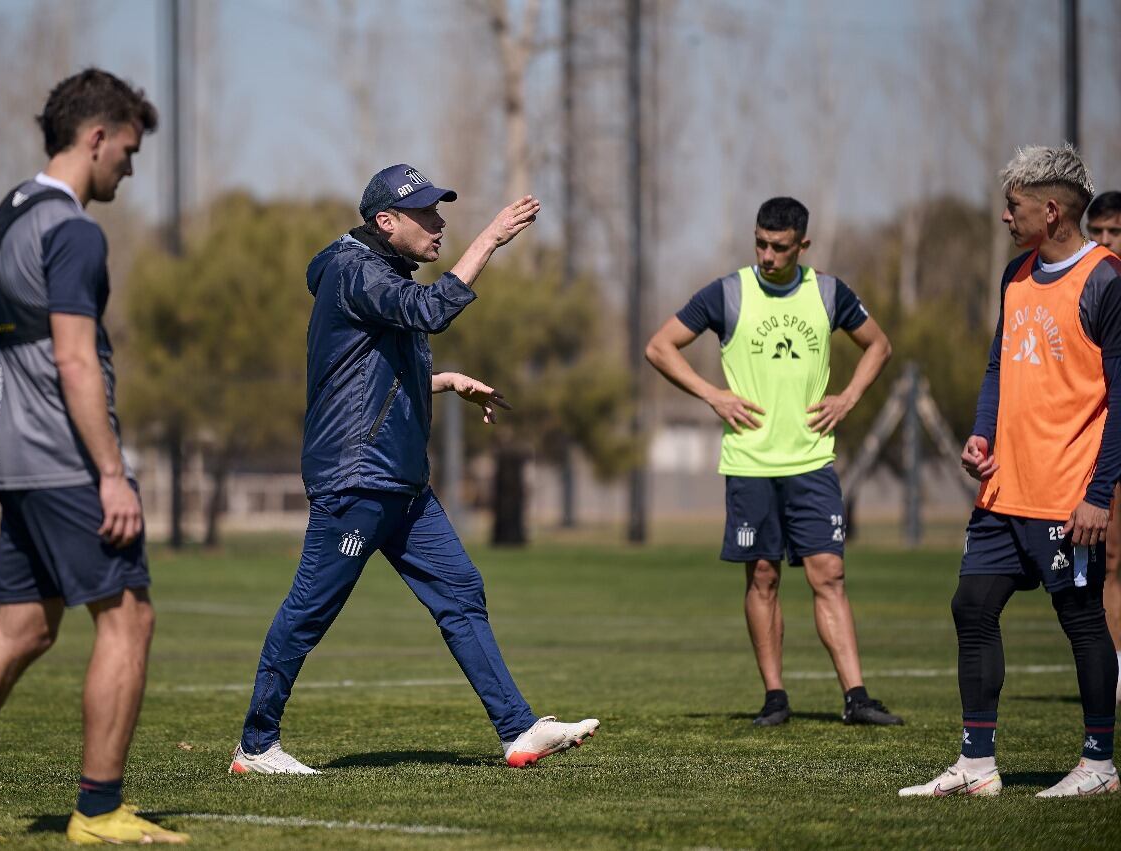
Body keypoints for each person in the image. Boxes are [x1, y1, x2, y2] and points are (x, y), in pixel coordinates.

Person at [0, 69, 187, 843]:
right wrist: (112, 473)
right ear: (95, 138)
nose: (130, 165)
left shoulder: (11, 212)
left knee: (23, 627)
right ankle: (99, 811)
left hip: (17, 462)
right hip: (67, 464)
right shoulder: (75, 231)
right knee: (129, 619)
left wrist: (2, 417)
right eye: (127, 150)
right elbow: (75, 358)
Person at [230, 165, 598, 774]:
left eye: (439, 210)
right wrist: (489, 240)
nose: (439, 222)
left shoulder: (379, 272)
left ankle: (519, 730)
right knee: (310, 610)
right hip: (357, 480)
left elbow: (369, 382)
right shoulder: (356, 271)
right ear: (386, 222)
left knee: (461, 591)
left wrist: (444, 382)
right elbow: (430, 310)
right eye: (425, 213)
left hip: (402, 483)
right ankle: (256, 745)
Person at [901, 145, 1121, 799]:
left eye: (1014, 206)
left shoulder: (1107, 281)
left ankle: (1098, 763)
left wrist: (1098, 494)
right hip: (1004, 489)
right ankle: (975, 765)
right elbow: (1000, 365)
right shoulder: (1015, 274)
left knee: (1081, 619)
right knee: (972, 606)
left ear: (1050, 210)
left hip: (1066, 493)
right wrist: (980, 433)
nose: (1004, 216)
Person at [645, 196, 900, 728]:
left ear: (802, 246)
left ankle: (856, 698)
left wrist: (848, 398)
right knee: (762, 576)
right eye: (760, 243)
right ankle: (775, 698)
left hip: (811, 460)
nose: (767, 254)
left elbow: (878, 346)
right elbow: (660, 347)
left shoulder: (829, 292)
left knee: (828, 573)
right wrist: (712, 394)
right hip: (750, 461)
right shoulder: (727, 292)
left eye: (779, 247)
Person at [1087, 190, 1121, 706]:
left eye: (1114, 233)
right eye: (1097, 233)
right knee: (1111, 560)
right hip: (1108, 442)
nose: (1104, 243)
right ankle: (1114, 672)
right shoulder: (1092, 290)